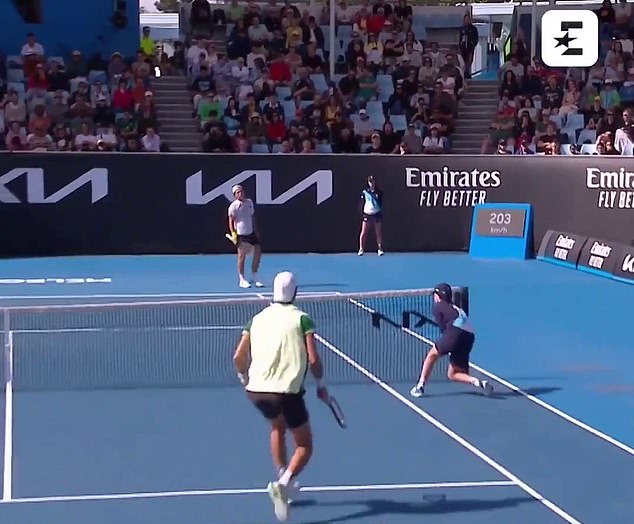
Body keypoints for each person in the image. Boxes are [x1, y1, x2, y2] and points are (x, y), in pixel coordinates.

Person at [233, 271, 328, 522]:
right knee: (305, 445)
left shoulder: (256, 319)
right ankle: (283, 485)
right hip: (286, 391)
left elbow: (238, 358)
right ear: (295, 293)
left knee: (277, 425)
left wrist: (243, 378)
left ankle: (283, 476)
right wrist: (321, 384)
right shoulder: (302, 319)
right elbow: (314, 359)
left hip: (256, 391)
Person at [410, 283, 493, 397]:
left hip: (455, 333)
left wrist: (450, 344)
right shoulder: (457, 308)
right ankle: (478, 382)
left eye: (435, 295)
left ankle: (420, 387)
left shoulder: (438, 307)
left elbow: (443, 329)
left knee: (431, 356)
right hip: (469, 337)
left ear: (438, 296)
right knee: (453, 374)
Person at [227, 184, 264, 288]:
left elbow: (252, 217)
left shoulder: (249, 202)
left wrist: (256, 231)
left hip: (251, 233)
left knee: (258, 253)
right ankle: (242, 279)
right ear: (235, 195)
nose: (240, 193)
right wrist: (234, 234)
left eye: (241, 191)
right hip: (241, 234)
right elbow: (231, 222)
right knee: (241, 257)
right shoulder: (233, 207)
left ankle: (255, 276)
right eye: (238, 192)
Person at [358, 176, 384, 256]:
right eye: (370, 182)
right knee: (364, 232)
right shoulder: (365, 192)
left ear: (375, 182)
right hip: (367, 214)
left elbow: (381, 203)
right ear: (368, 183)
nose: (371, 183)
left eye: (372, 181)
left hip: (376, 214)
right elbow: (362, 202)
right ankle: (361, 249)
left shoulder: (379, 192)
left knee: (378, 232)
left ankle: (379, 249)